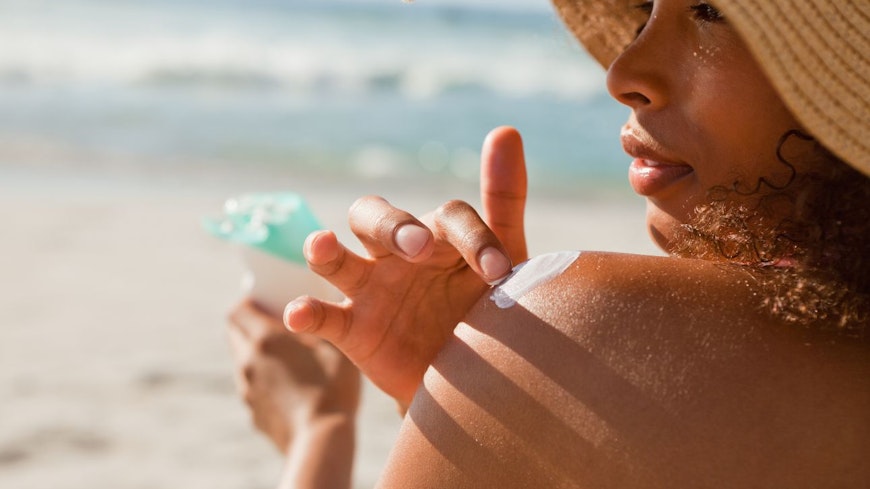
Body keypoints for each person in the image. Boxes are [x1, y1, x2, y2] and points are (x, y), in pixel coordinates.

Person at [227, 0, 869, 487]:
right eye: (647, 6)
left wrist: (319, 431)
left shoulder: (592, 328)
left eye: (711, 11)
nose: (625, 71)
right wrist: (464, 409)